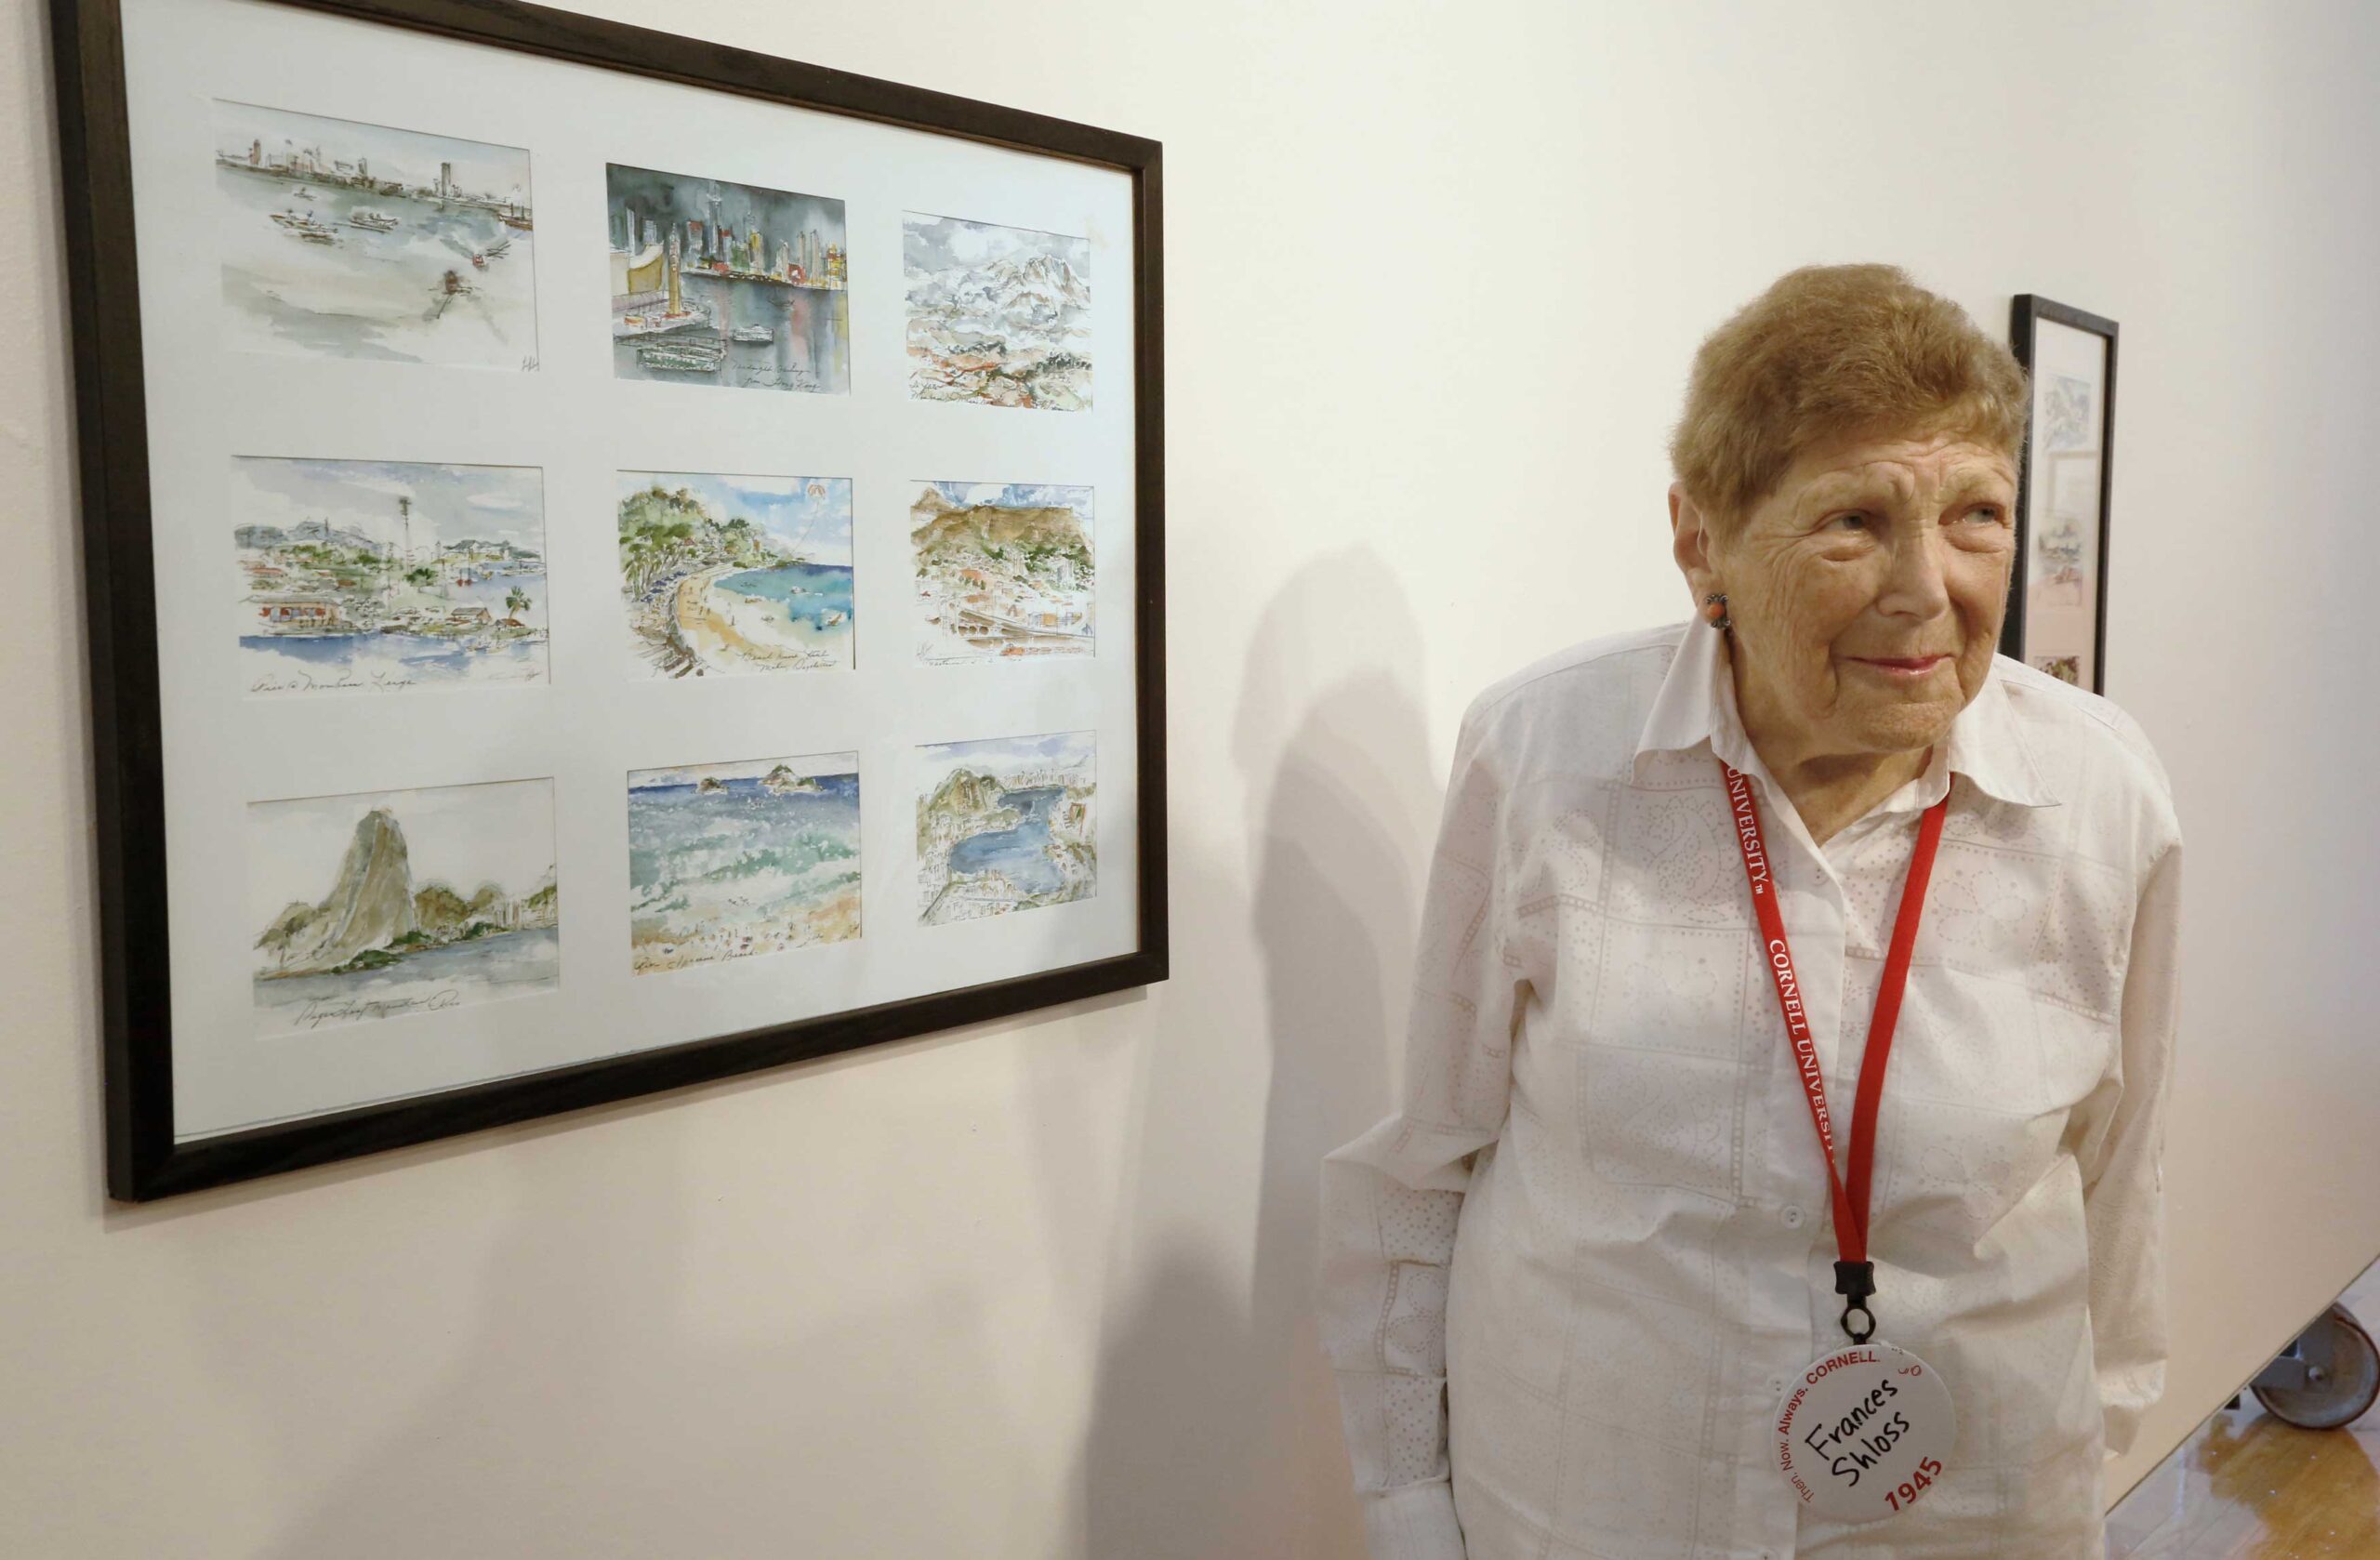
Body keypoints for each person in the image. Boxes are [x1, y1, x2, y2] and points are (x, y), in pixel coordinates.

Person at [1316, 263, 2181, 1558]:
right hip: (1592, 1510)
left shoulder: (2101, 794)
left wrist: (2072, 1473)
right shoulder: (1548, 757)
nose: (1926, 589)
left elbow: (2124, 1192)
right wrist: (1407, 1509)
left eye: (1977, 515)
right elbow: (1430, 1162)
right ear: (1700, 538)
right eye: (1852, 521)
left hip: (1966, 1515)